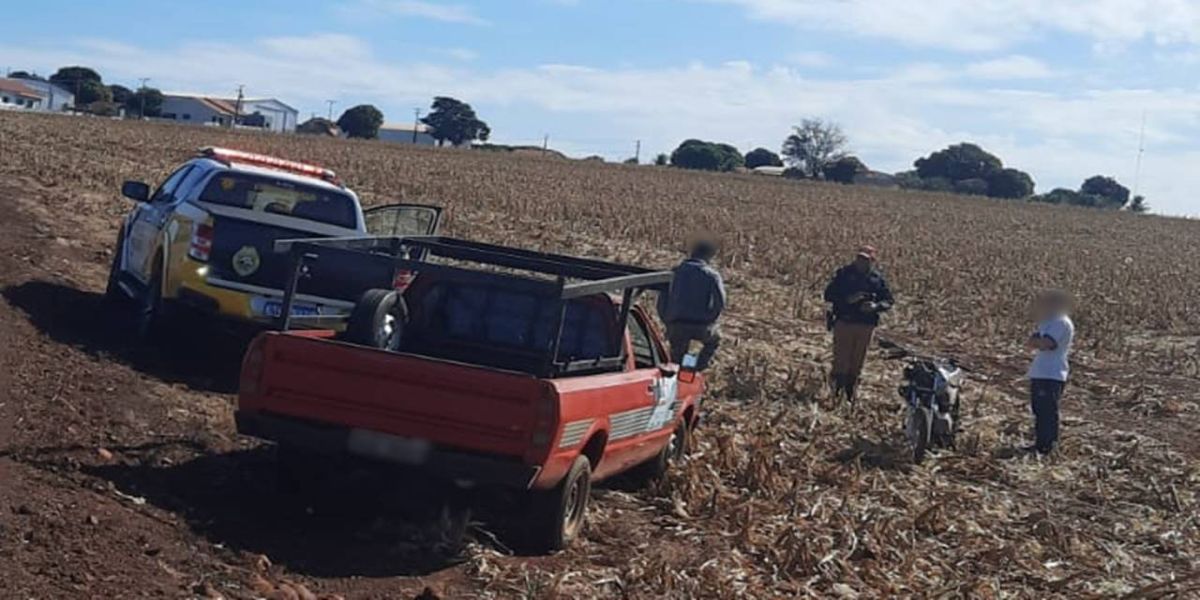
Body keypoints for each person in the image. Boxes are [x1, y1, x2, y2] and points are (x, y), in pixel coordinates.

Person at [823, 245, 894, 401]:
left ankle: (850, 394)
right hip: (845, 321)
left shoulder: (877, 279)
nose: (861, 261)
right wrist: (848, 299)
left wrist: (876, 306)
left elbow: (888, 300)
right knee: (841, 359)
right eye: (859, 258)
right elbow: (828, 295)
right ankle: (835, 394)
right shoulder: (844, 274)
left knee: (857, 361)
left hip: (866, 325)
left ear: (872, 261)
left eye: (866, 259)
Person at [657, 240, 726, 370]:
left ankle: (680, 375)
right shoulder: (712, 275)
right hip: (701, 325)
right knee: (714, 340)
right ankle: (696, 367)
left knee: (677, 359)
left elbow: (662, 298)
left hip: (677, 323)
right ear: (709, 256)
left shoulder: (674, 272)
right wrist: (710, 320)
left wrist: (666, 319)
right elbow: (720, 302)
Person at [1025, 289, 1075, 454]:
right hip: (1040, 371)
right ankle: (1040, 443)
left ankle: (1048, 447)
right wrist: (1038, 341)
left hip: (1052, 373)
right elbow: (1031, 342)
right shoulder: (1048, 322)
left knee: (1047, 411)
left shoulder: (1061, 322)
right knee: (1039, 409)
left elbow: (1048, 343)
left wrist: (1038, 341)